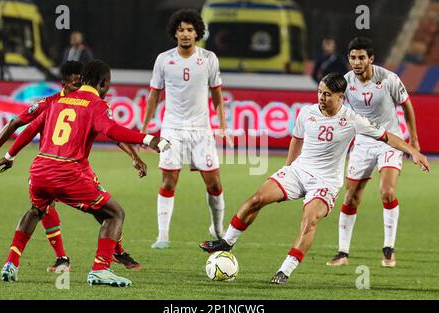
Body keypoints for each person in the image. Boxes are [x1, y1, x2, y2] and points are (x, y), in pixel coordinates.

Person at [199, 73, 429, 285]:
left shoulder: (352, 120)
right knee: (257, 199)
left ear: (341, 97)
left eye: (327, 94)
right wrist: (287, 168)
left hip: (325, 182)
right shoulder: (306, 113)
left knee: (309, 220)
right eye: (320, 92)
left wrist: (414, 152)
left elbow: (387, 137)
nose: (321, 97)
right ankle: (226, 242)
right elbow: (296, 140)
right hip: (299, 171)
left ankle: (284, 271)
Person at [0, 59, 170, 286]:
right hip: (68, 172)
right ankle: (100, 268)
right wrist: (148, 139)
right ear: (103, 83)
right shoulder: (96, 104)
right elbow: (112, 130)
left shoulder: (55, 101)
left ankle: (11, 263)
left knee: (36, 210)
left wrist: (9, 156)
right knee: (114, 214)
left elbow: (27, 129)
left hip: (39, 170)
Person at [326, 37, 421, 268]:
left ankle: (388, 249)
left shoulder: (389, 79)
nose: (356, 62)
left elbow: (407, 105)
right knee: (351, 197)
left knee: (387, 192)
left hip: (389, 141)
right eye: (352, 58)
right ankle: (342, 252)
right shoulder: (346, 82)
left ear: (371, 59)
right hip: (362, 144)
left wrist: (414, 139)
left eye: (361, 57)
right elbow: (336, 111)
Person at [142, 9, 230, 249]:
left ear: (197, 33)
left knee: (213, 182)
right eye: (181, 30)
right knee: (169, 181)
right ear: (174, 33)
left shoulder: (209, 58)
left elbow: (217, 95)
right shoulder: (163, 59)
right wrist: (144, 128)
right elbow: (154, 95)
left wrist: (222, 125)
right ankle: (162, 235)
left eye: (190, 30)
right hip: (172, 129)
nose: (185, 34)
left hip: (201, 130)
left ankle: (218, 228)